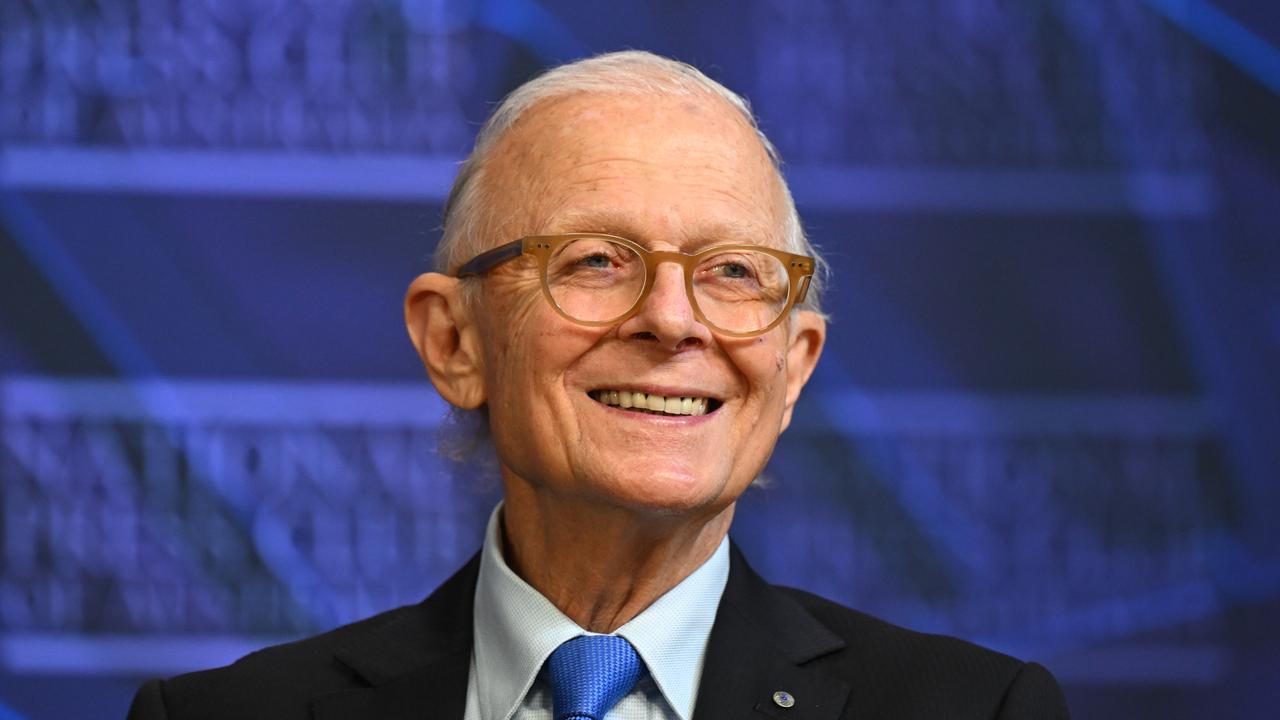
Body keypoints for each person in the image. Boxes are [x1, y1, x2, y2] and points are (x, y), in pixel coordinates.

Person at [128, 50, 1069, 720]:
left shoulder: (979, 711)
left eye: (733, 271)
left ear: (794, 367)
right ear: (453, 340)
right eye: (594, 261)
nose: (673, 319)